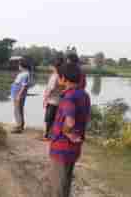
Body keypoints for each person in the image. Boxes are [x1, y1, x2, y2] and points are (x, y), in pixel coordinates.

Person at [49, 62, 91, 197]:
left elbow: (70, 120)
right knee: (66, 180)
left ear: (64, 79)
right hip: (74, 148)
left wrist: (67, 132)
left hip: (62, 147)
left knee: (58, 184)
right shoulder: (83, 94)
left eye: (58, 76)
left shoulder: (68, 97)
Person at [43, 57, 64, 140]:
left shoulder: (54, 76)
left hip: (52, 101)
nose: (49, 67)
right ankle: (52, 134)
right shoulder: (63, 77)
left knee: (48, 119)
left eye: (51, 65)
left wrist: (45, 99)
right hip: (60, 101)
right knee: (55, 119)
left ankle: (46, 135)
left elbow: (50, 89)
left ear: (54, 67)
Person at [10, 59, 31, 133]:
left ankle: (19, 127)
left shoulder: (25, 74)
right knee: (19, 110)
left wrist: (19, 95)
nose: (18, 66)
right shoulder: (24, 73)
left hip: (18, 95)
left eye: (19, 65)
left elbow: (24, 86)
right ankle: (20, 125)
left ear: (23, 66)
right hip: (17, 94)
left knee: (17, 110)